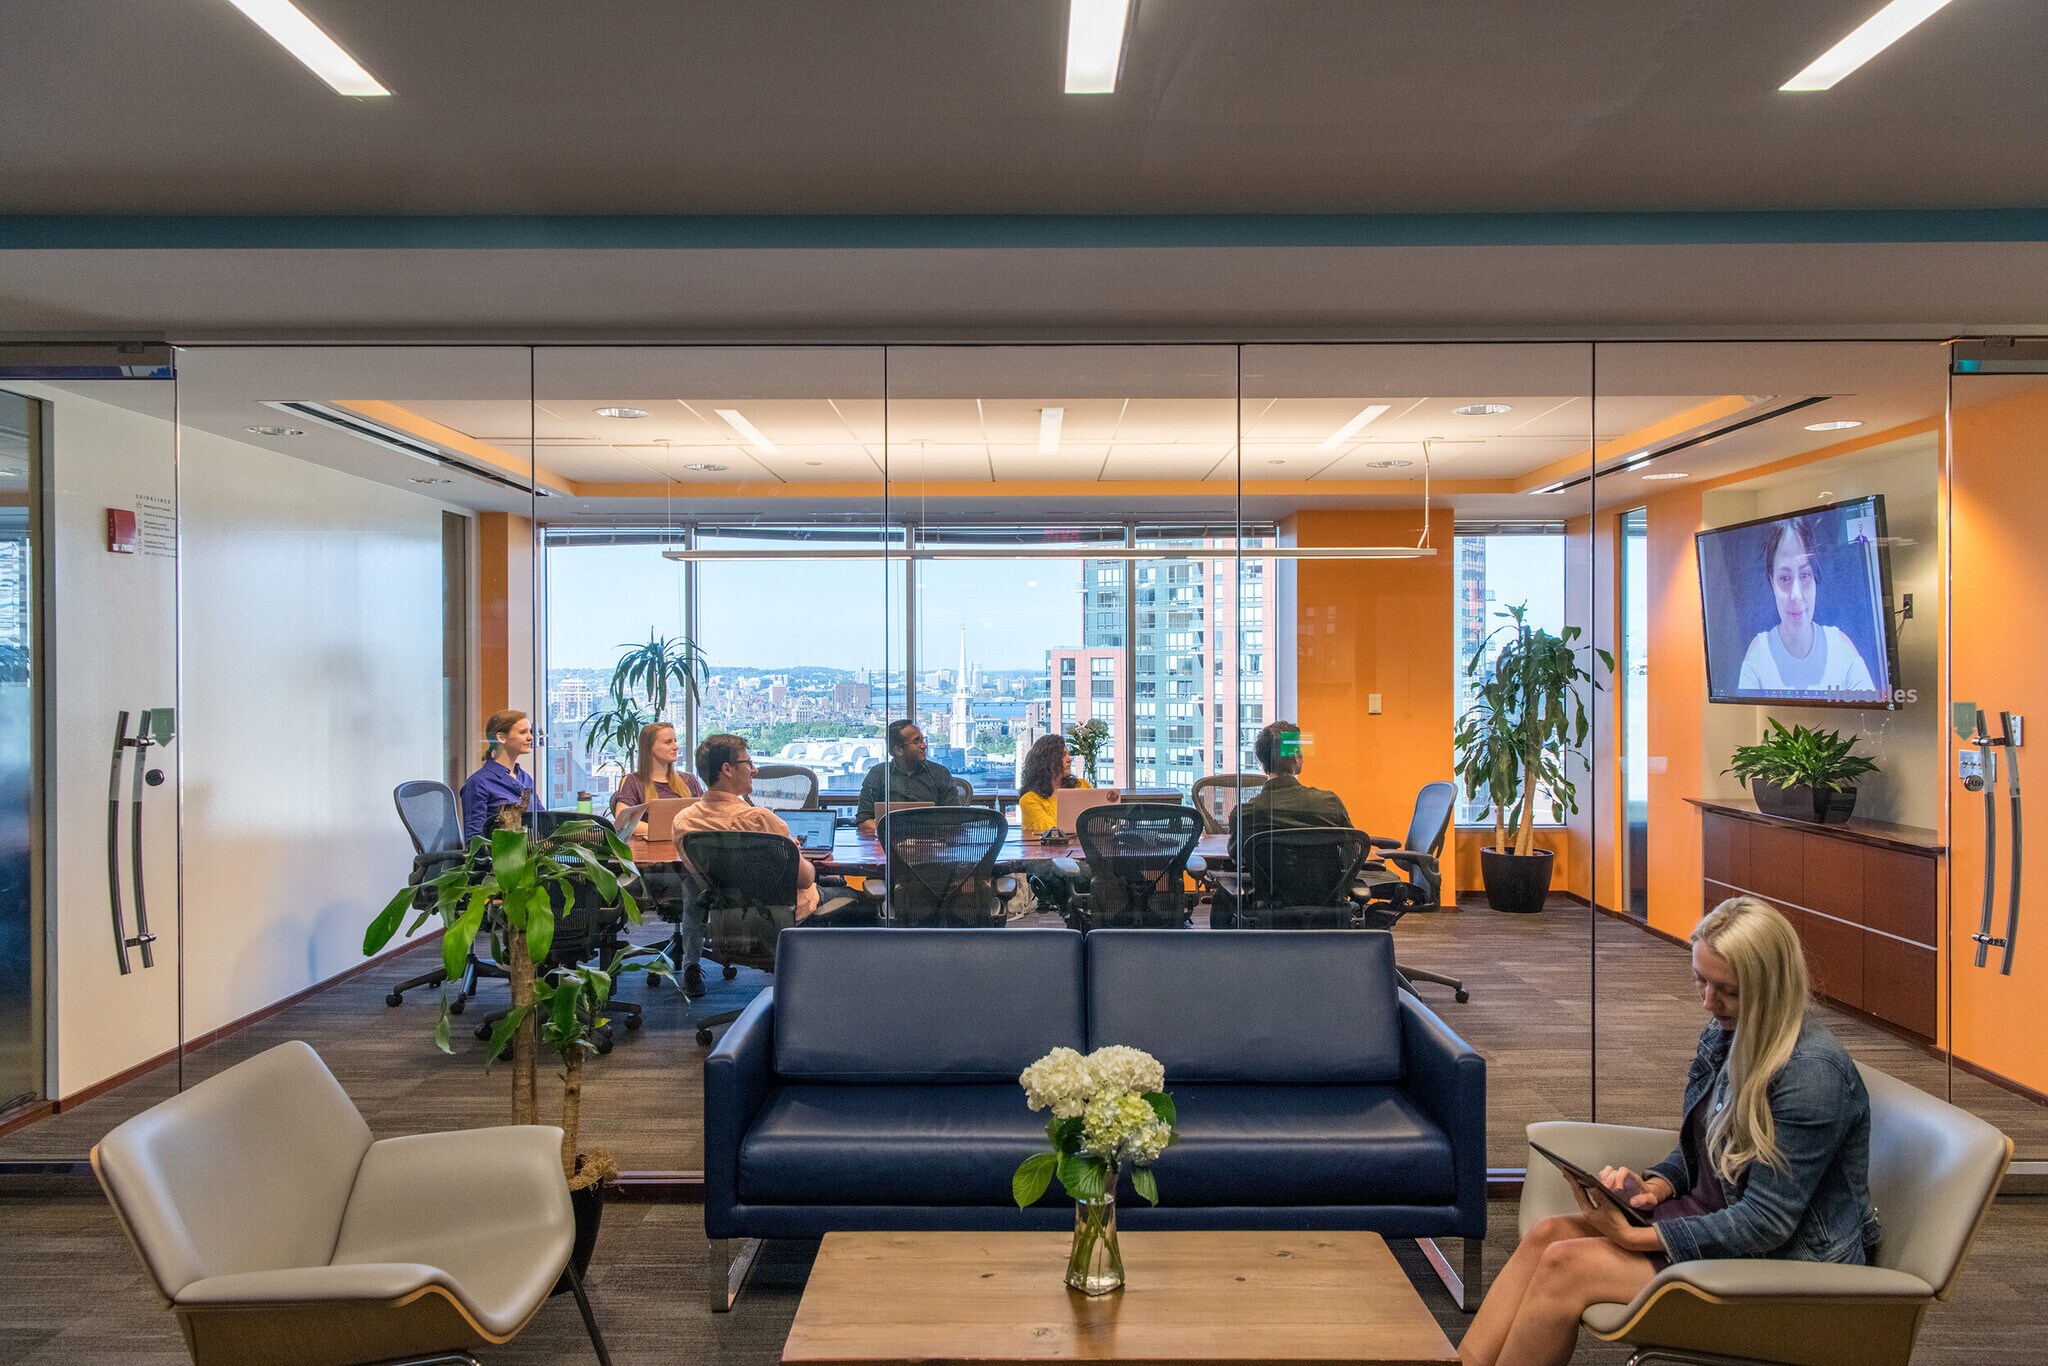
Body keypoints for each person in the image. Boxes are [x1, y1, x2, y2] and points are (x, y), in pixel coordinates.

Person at [1459, 896, 1878, 1366]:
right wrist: (1656, 1186)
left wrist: (1634, 1238)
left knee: (1565, 1266)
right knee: (1548, 1235)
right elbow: (1701, 1144)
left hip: (1789, 1265)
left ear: (1772, 987)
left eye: (1729, 990)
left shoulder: (1810, 1076)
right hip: (1716, 1226)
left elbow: (1767, 1223)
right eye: (1701, 980)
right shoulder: (1728, 1032)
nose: (1708, 1002)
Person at [675, 734, 871, 944]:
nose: (755, 769)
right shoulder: (760, 820)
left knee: (833, 881)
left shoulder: (683, 821)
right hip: (788, 913)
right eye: (748, 762)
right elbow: (805, 880)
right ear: (727, 769)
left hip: (729, 917)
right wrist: (794, 851)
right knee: (858, 897)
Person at [1736, 518, 1876, 697]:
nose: (1796, 595)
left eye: (1804, 575)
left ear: (1815, 576)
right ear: (1771, 581)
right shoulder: (1758, 654)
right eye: (1785, 578)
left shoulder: (1841, 648)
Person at [1015, 733, 1108, 924]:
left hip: (1085, 852)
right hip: (1049, 858)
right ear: (1047, 761)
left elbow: (1099, 819)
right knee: (1086, 875)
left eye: (1068, 753)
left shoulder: (1081, 786)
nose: (1069, 759)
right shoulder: (1031, 799)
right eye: (1063, 755)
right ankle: (1084, 918)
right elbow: (1053, 833)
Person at [854, 719, 962, 836]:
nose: (924, 745)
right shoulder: (878, 774)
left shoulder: (940, 773)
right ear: (899, 750)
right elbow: (864, 821)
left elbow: (953, 819)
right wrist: (889, 835)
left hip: (932, 844)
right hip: (889, 846)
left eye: (922, 740)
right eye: (917, 742)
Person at [611, 721, 704, 835]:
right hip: (649, 849)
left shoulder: (689, 780)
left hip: (684, 847)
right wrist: (670, 831)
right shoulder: (633, 782)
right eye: (668, 742)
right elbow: (623, 823)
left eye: (675, 741)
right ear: (649, 747)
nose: (676, 747)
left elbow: (705, 817)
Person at [458, 709, 537, 842]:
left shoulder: (525, 778)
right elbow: (475, 840)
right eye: (523, 732)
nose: (530, 737)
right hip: (499, 858)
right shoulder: (479, 782)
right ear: (501, 737)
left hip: (530, 855)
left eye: (530, 731)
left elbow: (545, 821)